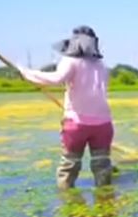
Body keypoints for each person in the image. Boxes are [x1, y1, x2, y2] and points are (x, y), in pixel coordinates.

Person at [15, 26, 114, 189]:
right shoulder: (101, 65)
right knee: (102, 165)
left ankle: (67, 199)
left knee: (69, 164)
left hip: (77, 124)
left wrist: (27, 73)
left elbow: (56, 78)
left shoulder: (71, 61)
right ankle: (105, 199)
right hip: (103, 125)